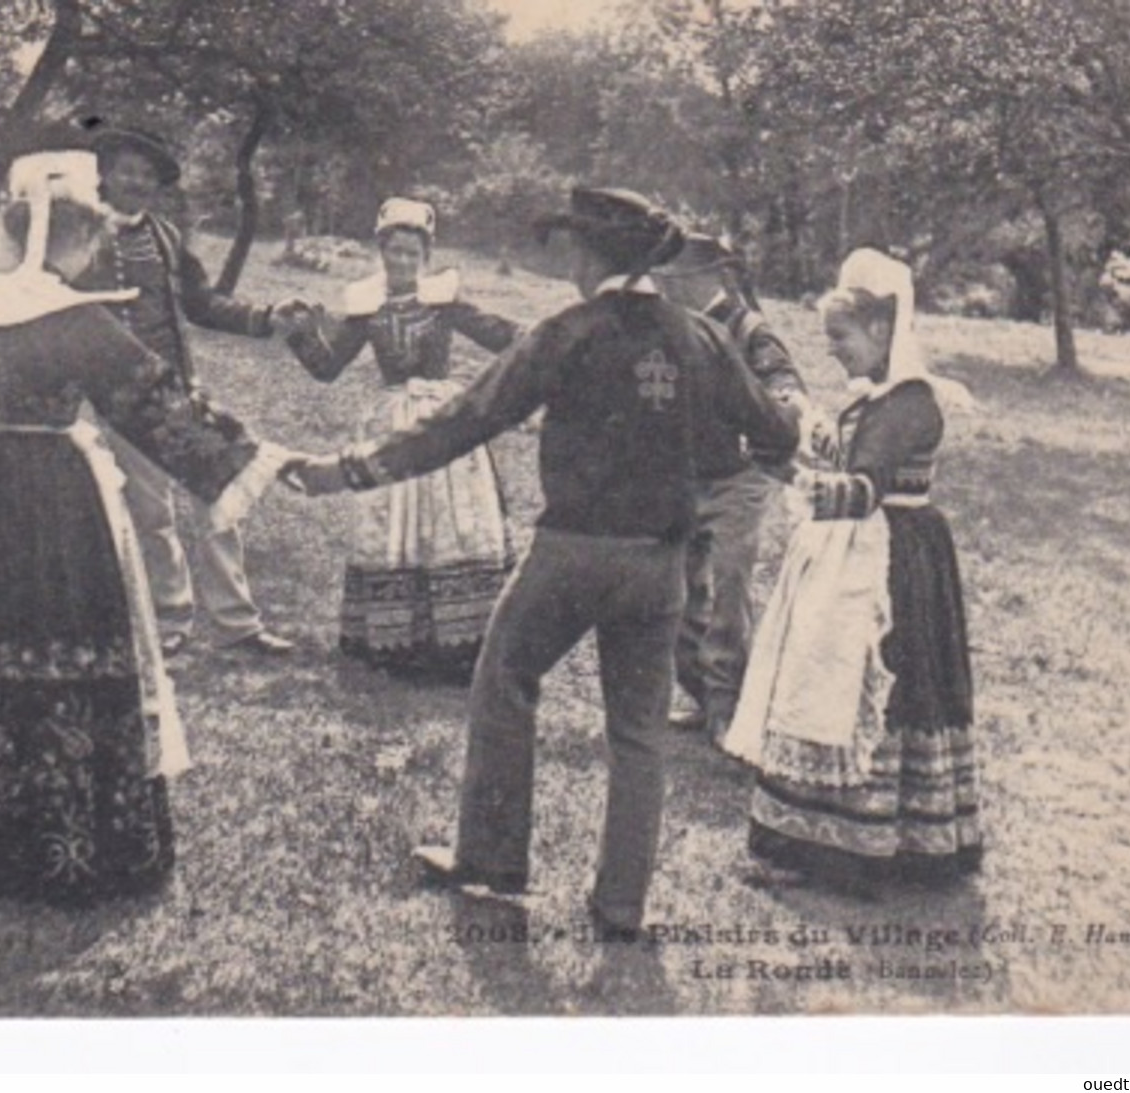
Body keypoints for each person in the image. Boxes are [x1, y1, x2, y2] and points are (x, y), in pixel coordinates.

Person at [287, 188, 800, 937]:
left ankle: (491, 863)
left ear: (589, 255)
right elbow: (774, 429)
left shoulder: (568, 330)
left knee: (503, 680)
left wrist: (354, 469)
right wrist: (753, 445)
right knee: (638, 730)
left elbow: (467, 418)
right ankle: (621, 903)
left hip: (570, 553)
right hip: (659, 563)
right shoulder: (701, 338)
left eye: (569, 247)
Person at [0, 151, 294, 905]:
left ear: (16, 232)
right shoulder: (82, 322)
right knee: (59, 634)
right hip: (53, 493)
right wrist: (251, 459)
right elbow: (157, 405)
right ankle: (60, 826)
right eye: (92, 239)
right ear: (74, 240)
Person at [721, 247, 980, 895]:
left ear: (882, 330)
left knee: (867, 684)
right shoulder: (877, 397)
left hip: (891, 561)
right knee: (824, 681)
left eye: (840, 336)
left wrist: (790, 477)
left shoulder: (909, 401)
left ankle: (865, 842)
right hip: (858, 551)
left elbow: (863, 490)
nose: (832, 350)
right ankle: (823, 835)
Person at [66, 124, 299, 658]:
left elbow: (203, 304)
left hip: (177, 391)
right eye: (127, 170)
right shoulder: (77, 232)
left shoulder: (167, 237)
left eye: (147, 175)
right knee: (151, 513)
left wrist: (265, 318)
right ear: (103, 173)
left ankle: (238, 623)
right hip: (118, 398)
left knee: (218, 494)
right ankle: (171, 620)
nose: (136, 182)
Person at [275, 197, 521, 683]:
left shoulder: (444, 301)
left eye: (412, 253)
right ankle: (395, 642)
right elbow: (327, 368)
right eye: (394, 252)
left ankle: (460, 642)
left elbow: (501, 335)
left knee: (453, 523)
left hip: (442, 421)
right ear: (380, 252)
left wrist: (554, 342)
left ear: (426, 257)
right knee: (393, 525)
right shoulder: (366, 308)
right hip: (391, 423)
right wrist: (298, 334)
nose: (403, 263)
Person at [652, 234, 807, 742]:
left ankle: (728, 707)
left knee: (729, 589)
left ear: (705, 279)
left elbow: (786, 388)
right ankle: (700, 694)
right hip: (683, 475)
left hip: (738, 479)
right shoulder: (672, 327)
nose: (661, 287)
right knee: (678, 589)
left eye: (671, 280)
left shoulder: (748, 329)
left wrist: (780, 406)